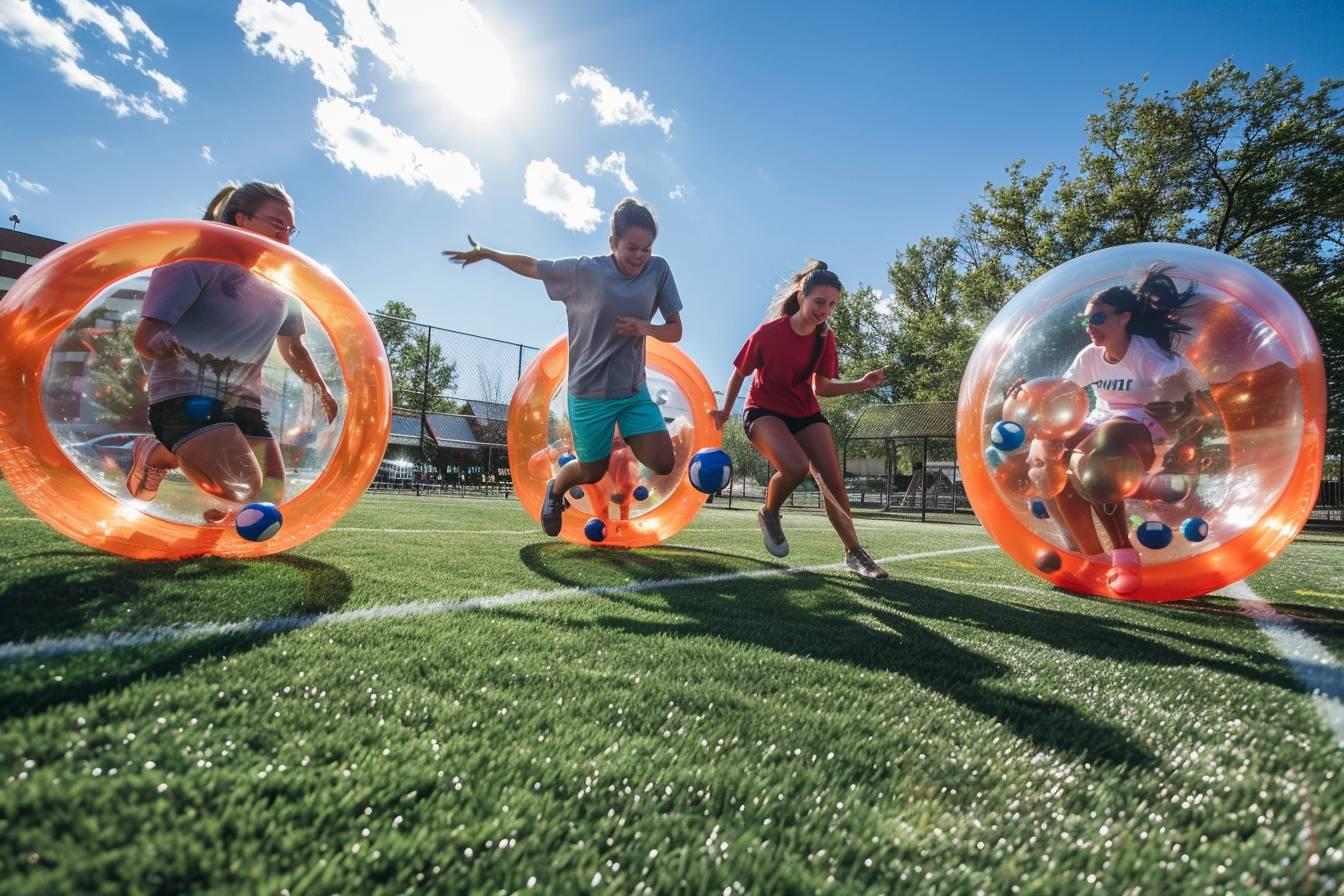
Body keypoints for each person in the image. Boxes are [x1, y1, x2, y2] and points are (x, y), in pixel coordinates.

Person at [444, 198, 683, 536]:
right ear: (613, 242)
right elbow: (533, 266)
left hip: (632, 392)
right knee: (592, 470)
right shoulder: (585, 271)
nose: (640, 256)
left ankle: (626, 431)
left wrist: (645, 328)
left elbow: (675, 329)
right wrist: (488, 252)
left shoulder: (658, 270)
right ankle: (555, 491)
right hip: (590, 393)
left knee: (663, 462)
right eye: (632, 247)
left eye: (647, 248)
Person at [126, 181, 339, 522]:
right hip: (184, 397)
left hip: (244, 403)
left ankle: (212, 506)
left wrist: (321, 387)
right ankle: (158, 453)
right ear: (242, 219)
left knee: (268, 498)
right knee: (244, 489)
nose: (285, 237)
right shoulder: (194, 260)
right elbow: (146, 334)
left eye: (291, 230)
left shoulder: (282, 284)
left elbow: (294, 347)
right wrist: (158, 341)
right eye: (277, 225)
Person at [1025, 263, 1214, 596]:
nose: (1090, 327)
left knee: (1098, 451)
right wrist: (1027, 393)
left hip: (1146, 431)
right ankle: (1094, 556)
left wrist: (1178, 403)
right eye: (1086, 320)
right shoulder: (1090, 356)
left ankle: (1125, 555)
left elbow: (1184, 389)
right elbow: (1062, 393)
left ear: (1124, 318)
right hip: (1102, 426)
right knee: (1052, 451)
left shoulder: (1146, 353)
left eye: (1098, 318)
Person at [711, 260, 890, 578]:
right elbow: (740, 373)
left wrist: (861, 383)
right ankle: (770, 513)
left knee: (833, 482)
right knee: (794, 467)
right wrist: (726, 410)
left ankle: (855, 553)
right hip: (763, 411)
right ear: (802, 297)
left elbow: (821, 388)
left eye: (832, 304)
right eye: (819, 302)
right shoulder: (768, 333)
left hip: (804, 413)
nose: (825, 310)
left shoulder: (824, 339)